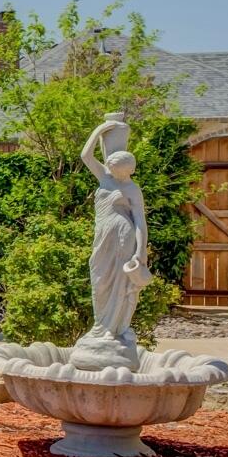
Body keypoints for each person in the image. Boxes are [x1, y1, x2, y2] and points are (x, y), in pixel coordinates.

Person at [76, 112, 150, 362]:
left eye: (116, 168)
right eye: (111, 166)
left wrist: (141, 251)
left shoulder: (132, 188)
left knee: (122, 282)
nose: (111, 169)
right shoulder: (104, 178)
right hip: (103, 237)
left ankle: (116, 328)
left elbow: (140, 221)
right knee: (99, 279)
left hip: (123, 237)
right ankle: (100, 326)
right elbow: (85, 156)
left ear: (127, 169)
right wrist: (101, 128)